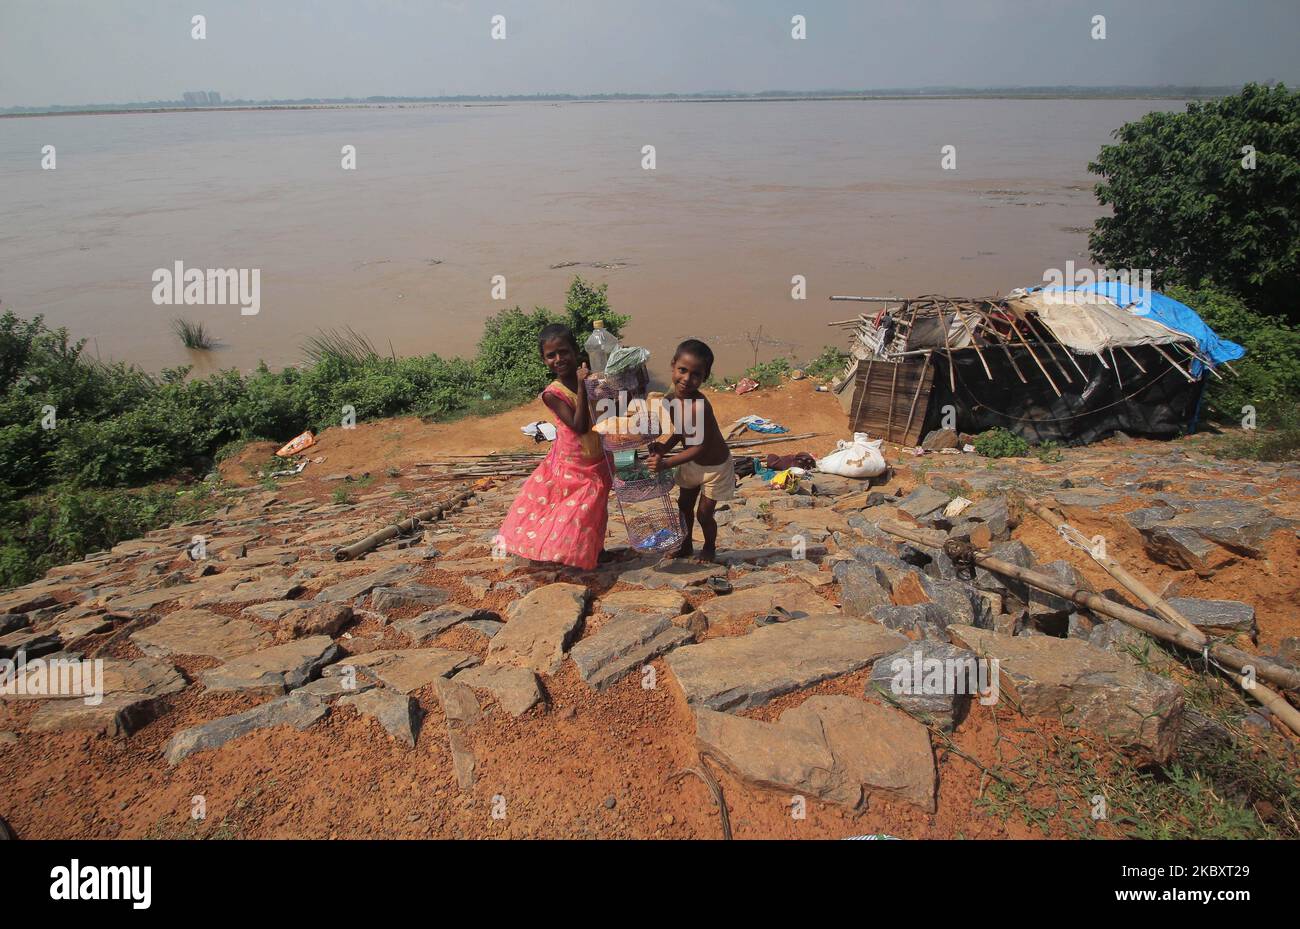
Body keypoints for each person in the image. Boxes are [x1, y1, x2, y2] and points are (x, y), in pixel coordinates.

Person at [496, 324, 613, 570]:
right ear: (544, 360)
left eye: (564, 352)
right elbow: (579, 426)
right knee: (575, 511)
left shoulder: (592, 379)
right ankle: (561, 550)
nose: (558, 359)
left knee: (597, 509)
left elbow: (606, 410)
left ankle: (595, 551)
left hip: (598, 455)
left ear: (575, 352)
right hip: (574, 462)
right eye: (551, 355)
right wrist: (582, 386)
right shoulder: (552, 394)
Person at [647, 339, 734, 562]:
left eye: (695, 374)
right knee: (683, 506)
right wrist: (663, 448)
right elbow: (680, 431)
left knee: (704, 514)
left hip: (715, 466)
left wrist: (666, 462)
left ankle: (709, 548)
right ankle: (685, 546)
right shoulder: (670, 399)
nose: (686, 379)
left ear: (704, 377)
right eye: (682, 370)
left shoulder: (699, 407)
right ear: (673, 365)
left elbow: (699, 446)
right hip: (691, 463)